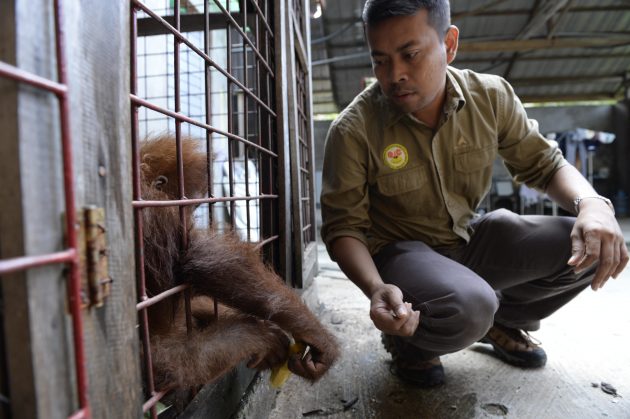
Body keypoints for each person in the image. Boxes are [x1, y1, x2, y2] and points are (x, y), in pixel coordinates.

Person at [320, 0, 628, 387]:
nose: (394, 74)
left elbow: (545, 165)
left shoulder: (490, 96)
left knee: (592, 244)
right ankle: (411, 342)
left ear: (449, 44)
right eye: (379, 60)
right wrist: (376, 288)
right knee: (470, 306)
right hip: (403, 255)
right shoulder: (353, 129)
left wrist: (594, 206)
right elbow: (342, 228)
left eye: (410, 55)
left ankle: (501, 323)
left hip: (469, 238)